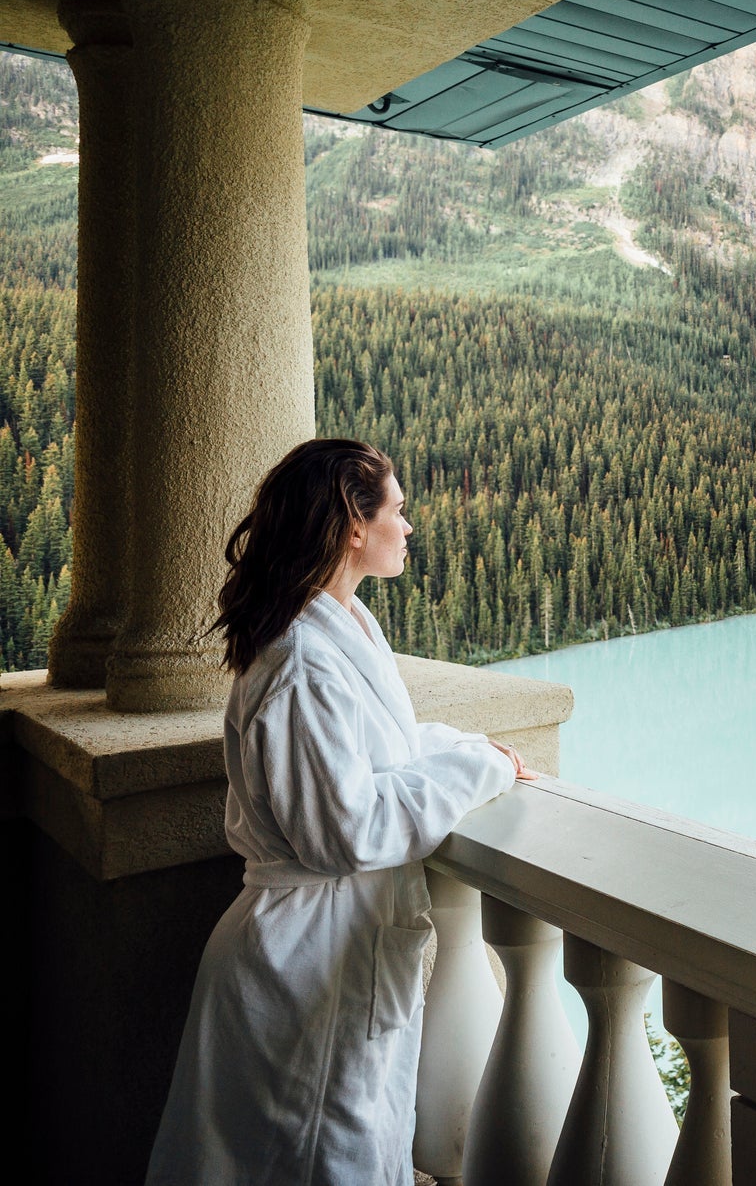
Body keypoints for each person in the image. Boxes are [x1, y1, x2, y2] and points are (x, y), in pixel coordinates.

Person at [146, 438, 534, 1185]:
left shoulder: (344, 622)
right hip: (299, 967)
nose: (409, 525)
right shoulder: (298, 661)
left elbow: (382, 749)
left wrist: (472, 748)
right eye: (398, 508)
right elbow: (350, 826)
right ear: (354, 525)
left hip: (330, 957)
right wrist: (477, 769)